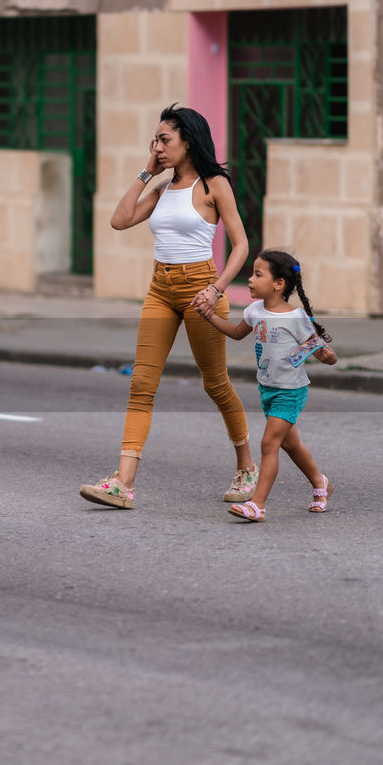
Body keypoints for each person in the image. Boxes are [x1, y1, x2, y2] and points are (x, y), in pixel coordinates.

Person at [80, 104, 257, 510]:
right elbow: (119, 221)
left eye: (164, 140)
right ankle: (123, 483)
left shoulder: (214, 185)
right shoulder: (160, 191)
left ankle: (246, 466)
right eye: (155, 141)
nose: (157, 147)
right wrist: (147, 172)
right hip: (160, 288)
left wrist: (216, 288)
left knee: (215, 383)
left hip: (201, 289)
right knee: (141, 385)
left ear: (187, 142)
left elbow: (242, 245)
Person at [196, 249, 337, 522]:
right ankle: (321, 484)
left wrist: (327, 356)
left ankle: (257, 505)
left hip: (290, 391)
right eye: (252, 273)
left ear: (278, 284)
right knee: (290, 445)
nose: (250, 279)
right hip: (268, 389)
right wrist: (209, 316)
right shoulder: (254, 310)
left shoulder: (295, 317)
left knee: (269, 443)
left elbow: (319, 350)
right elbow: (237, 334)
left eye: (258, 274)